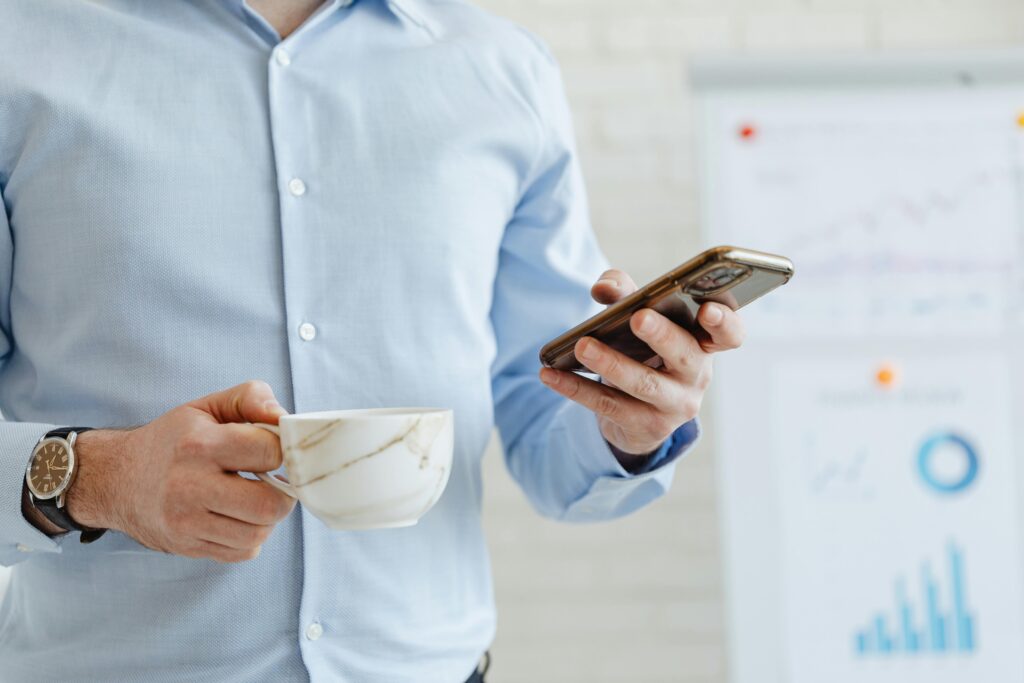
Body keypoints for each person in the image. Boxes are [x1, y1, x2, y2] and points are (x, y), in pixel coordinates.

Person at [0, 1, 744, 681]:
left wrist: (629, 426)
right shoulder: (21, 50)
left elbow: (545, 420)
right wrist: (103, 477)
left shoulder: (505, 72)